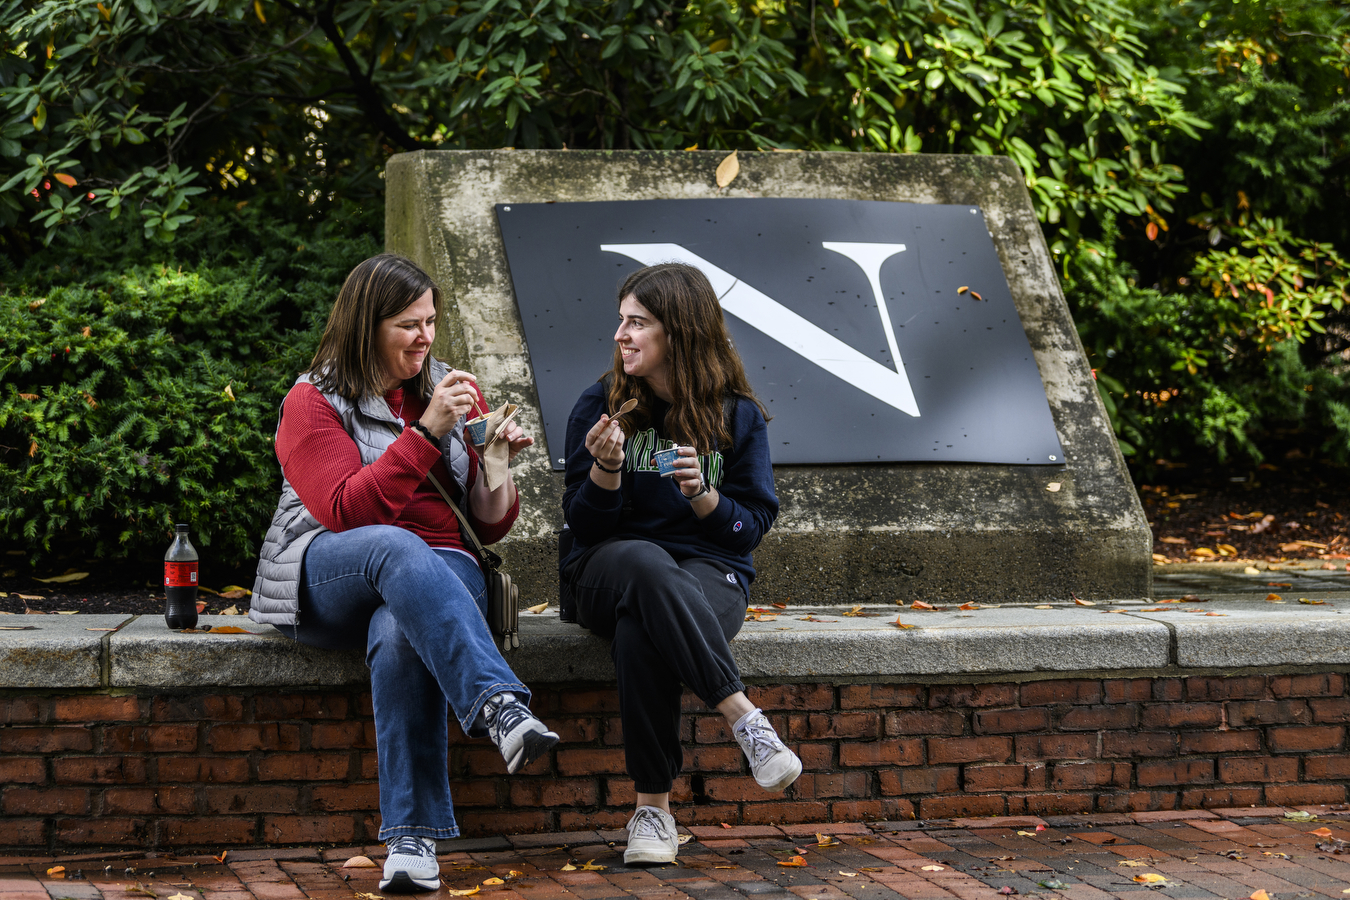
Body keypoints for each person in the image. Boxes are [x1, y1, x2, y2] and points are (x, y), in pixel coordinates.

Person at [249, 254, 558, 892]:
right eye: (407, 325)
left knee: (399, 633)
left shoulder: (440, 384)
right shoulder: (312, 401)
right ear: (367, 326)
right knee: (392, 542)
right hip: (330, 568)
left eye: (430, 322)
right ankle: (498, 704)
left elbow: (489, 524)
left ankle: (411, 844)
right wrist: (424, 433)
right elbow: (344, 511)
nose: (425, 337)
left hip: (440, 571)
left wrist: (495, 461)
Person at [559, 262, 801, 866]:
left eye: (637, 323)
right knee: (643, 562)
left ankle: (653, 812)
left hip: (709, 570)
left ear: (680, 331)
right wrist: (607, 471)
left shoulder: (735, 415)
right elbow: (581, 527)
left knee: (645, 630)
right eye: (621, 321)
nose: (621, 335)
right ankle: (743, 718)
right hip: (604, 570)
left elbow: (750, 529)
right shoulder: (600, 405)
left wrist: (704, 497)